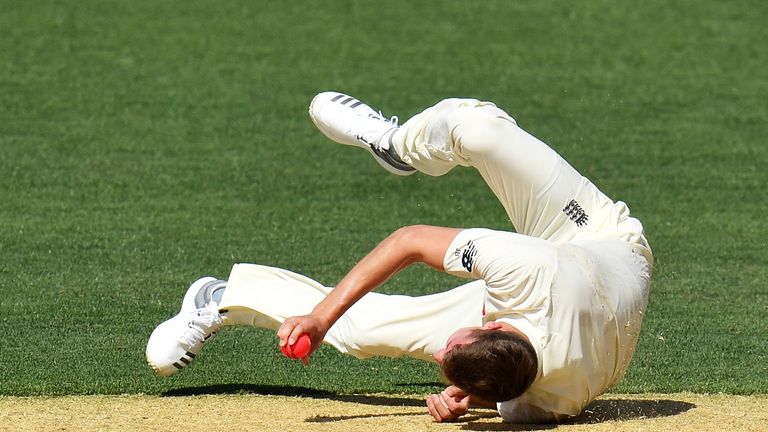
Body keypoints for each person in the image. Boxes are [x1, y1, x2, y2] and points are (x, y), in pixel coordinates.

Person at [146, 92, 653, 423]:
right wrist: (320, 317)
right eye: (453, 349)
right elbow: (409, 240)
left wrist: (468, 395)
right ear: (494, 325)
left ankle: (221, 298)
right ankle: (395, 144)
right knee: (473, 128)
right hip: (596, 236)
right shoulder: (526, 272)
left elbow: (512, 393)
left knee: (360, 334)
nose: (437, 355)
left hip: (596, 306)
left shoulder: (540, 404)